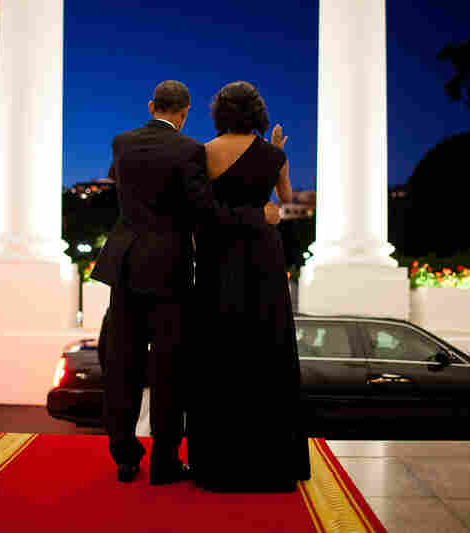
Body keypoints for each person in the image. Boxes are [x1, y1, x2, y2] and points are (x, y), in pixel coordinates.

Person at [90, 80, 281, 485]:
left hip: (124, 264)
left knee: (123, 364)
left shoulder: (121, 142)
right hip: (168, 270)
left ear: (151, 105)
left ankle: (125, 457)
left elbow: (124, 189)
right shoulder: (189, 150)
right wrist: (255, 216)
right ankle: (164, 462)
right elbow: (205, 210)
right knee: (168, 369)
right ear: (186, 111)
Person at [187, 81, 311, 492]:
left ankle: (218, 463)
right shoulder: (274, 154)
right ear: (258, 112)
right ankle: (271, 463)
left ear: (219, 111)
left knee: (219, 351)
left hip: (219, 258)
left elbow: (201, 209)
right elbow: (287, 197)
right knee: (267, 348)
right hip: (263, 256)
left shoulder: (204, 152)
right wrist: (276, 152)